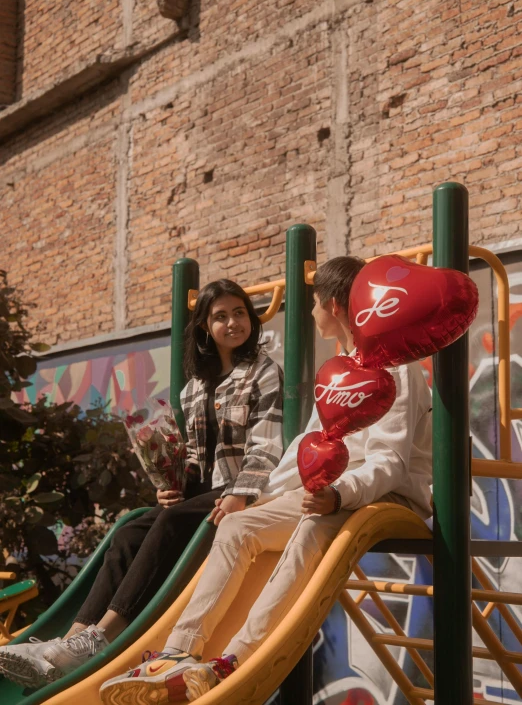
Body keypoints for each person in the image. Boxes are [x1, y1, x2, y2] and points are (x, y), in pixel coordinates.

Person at [98, 256, 433, 704]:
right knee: (238, 527)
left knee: (313, 528)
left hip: (386, 497)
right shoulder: (341, 368)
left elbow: (389, 463)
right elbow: (306, 447)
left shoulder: (394, 368)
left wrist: (337, 494)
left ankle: (233, 659)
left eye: (314, 303)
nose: (311, 314)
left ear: (333, 306)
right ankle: (178, 654)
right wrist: (259, 497)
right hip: (335, 492)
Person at [0, 279, 284, 689]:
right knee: (130, 529)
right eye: (220, 316)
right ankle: (67, 643)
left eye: (239, 312)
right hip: (204, 495)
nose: (233, 322)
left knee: (169, 523)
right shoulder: (194, 389)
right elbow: (194, 459)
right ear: (205, 326)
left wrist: (241, 493)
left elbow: (267, 444)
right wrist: (171, 485)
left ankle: (103, 635)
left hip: (242, 492)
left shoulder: (263, 372)